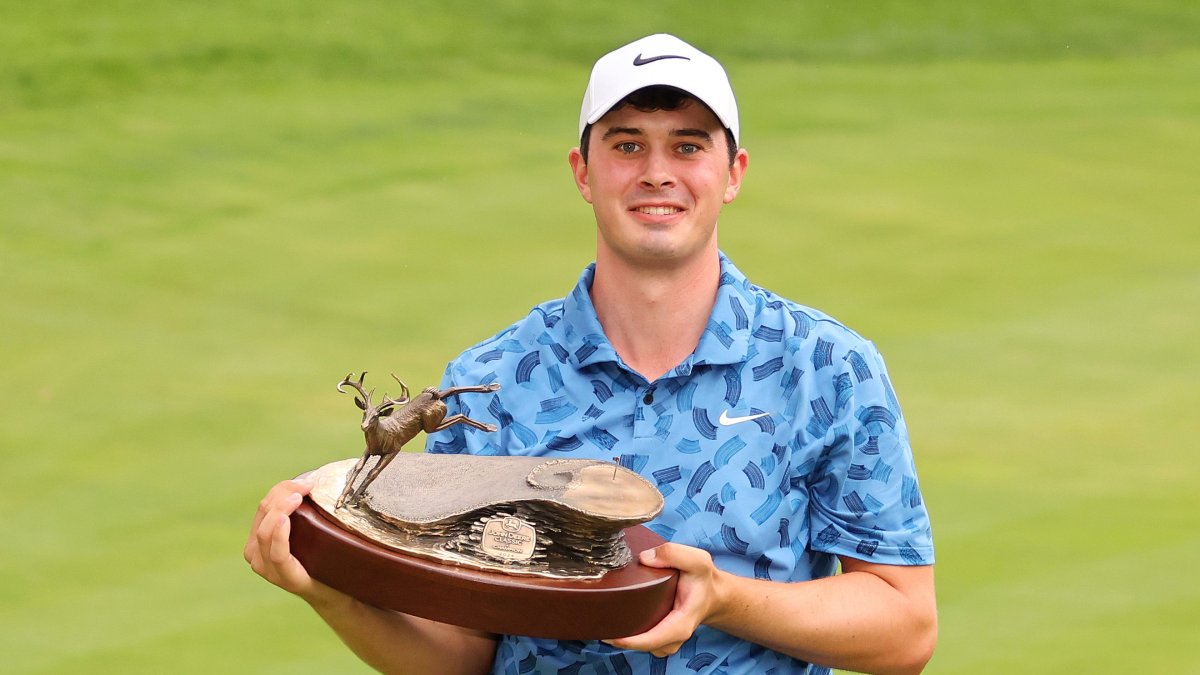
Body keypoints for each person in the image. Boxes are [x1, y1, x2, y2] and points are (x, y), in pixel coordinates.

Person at [245, 33, 936, 675]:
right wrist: (334, 595)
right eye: (627, 146)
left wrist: (722, 597)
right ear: (583, 170)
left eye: (689, 147)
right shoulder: (492, 383)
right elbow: (465, 650)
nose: (657, 173)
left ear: (734, 172)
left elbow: (905, 625)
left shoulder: (826, 368)